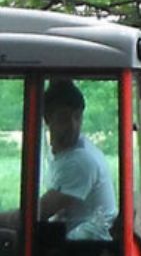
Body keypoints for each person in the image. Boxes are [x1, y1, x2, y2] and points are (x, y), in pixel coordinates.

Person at [40, 79, 116, 241]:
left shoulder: (80, 160)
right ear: (47, 119)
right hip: (75, 240)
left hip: (89, 250)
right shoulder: (61, 155)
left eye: (77, 117)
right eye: (64, 118)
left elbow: (39, 211)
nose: (73, 126)